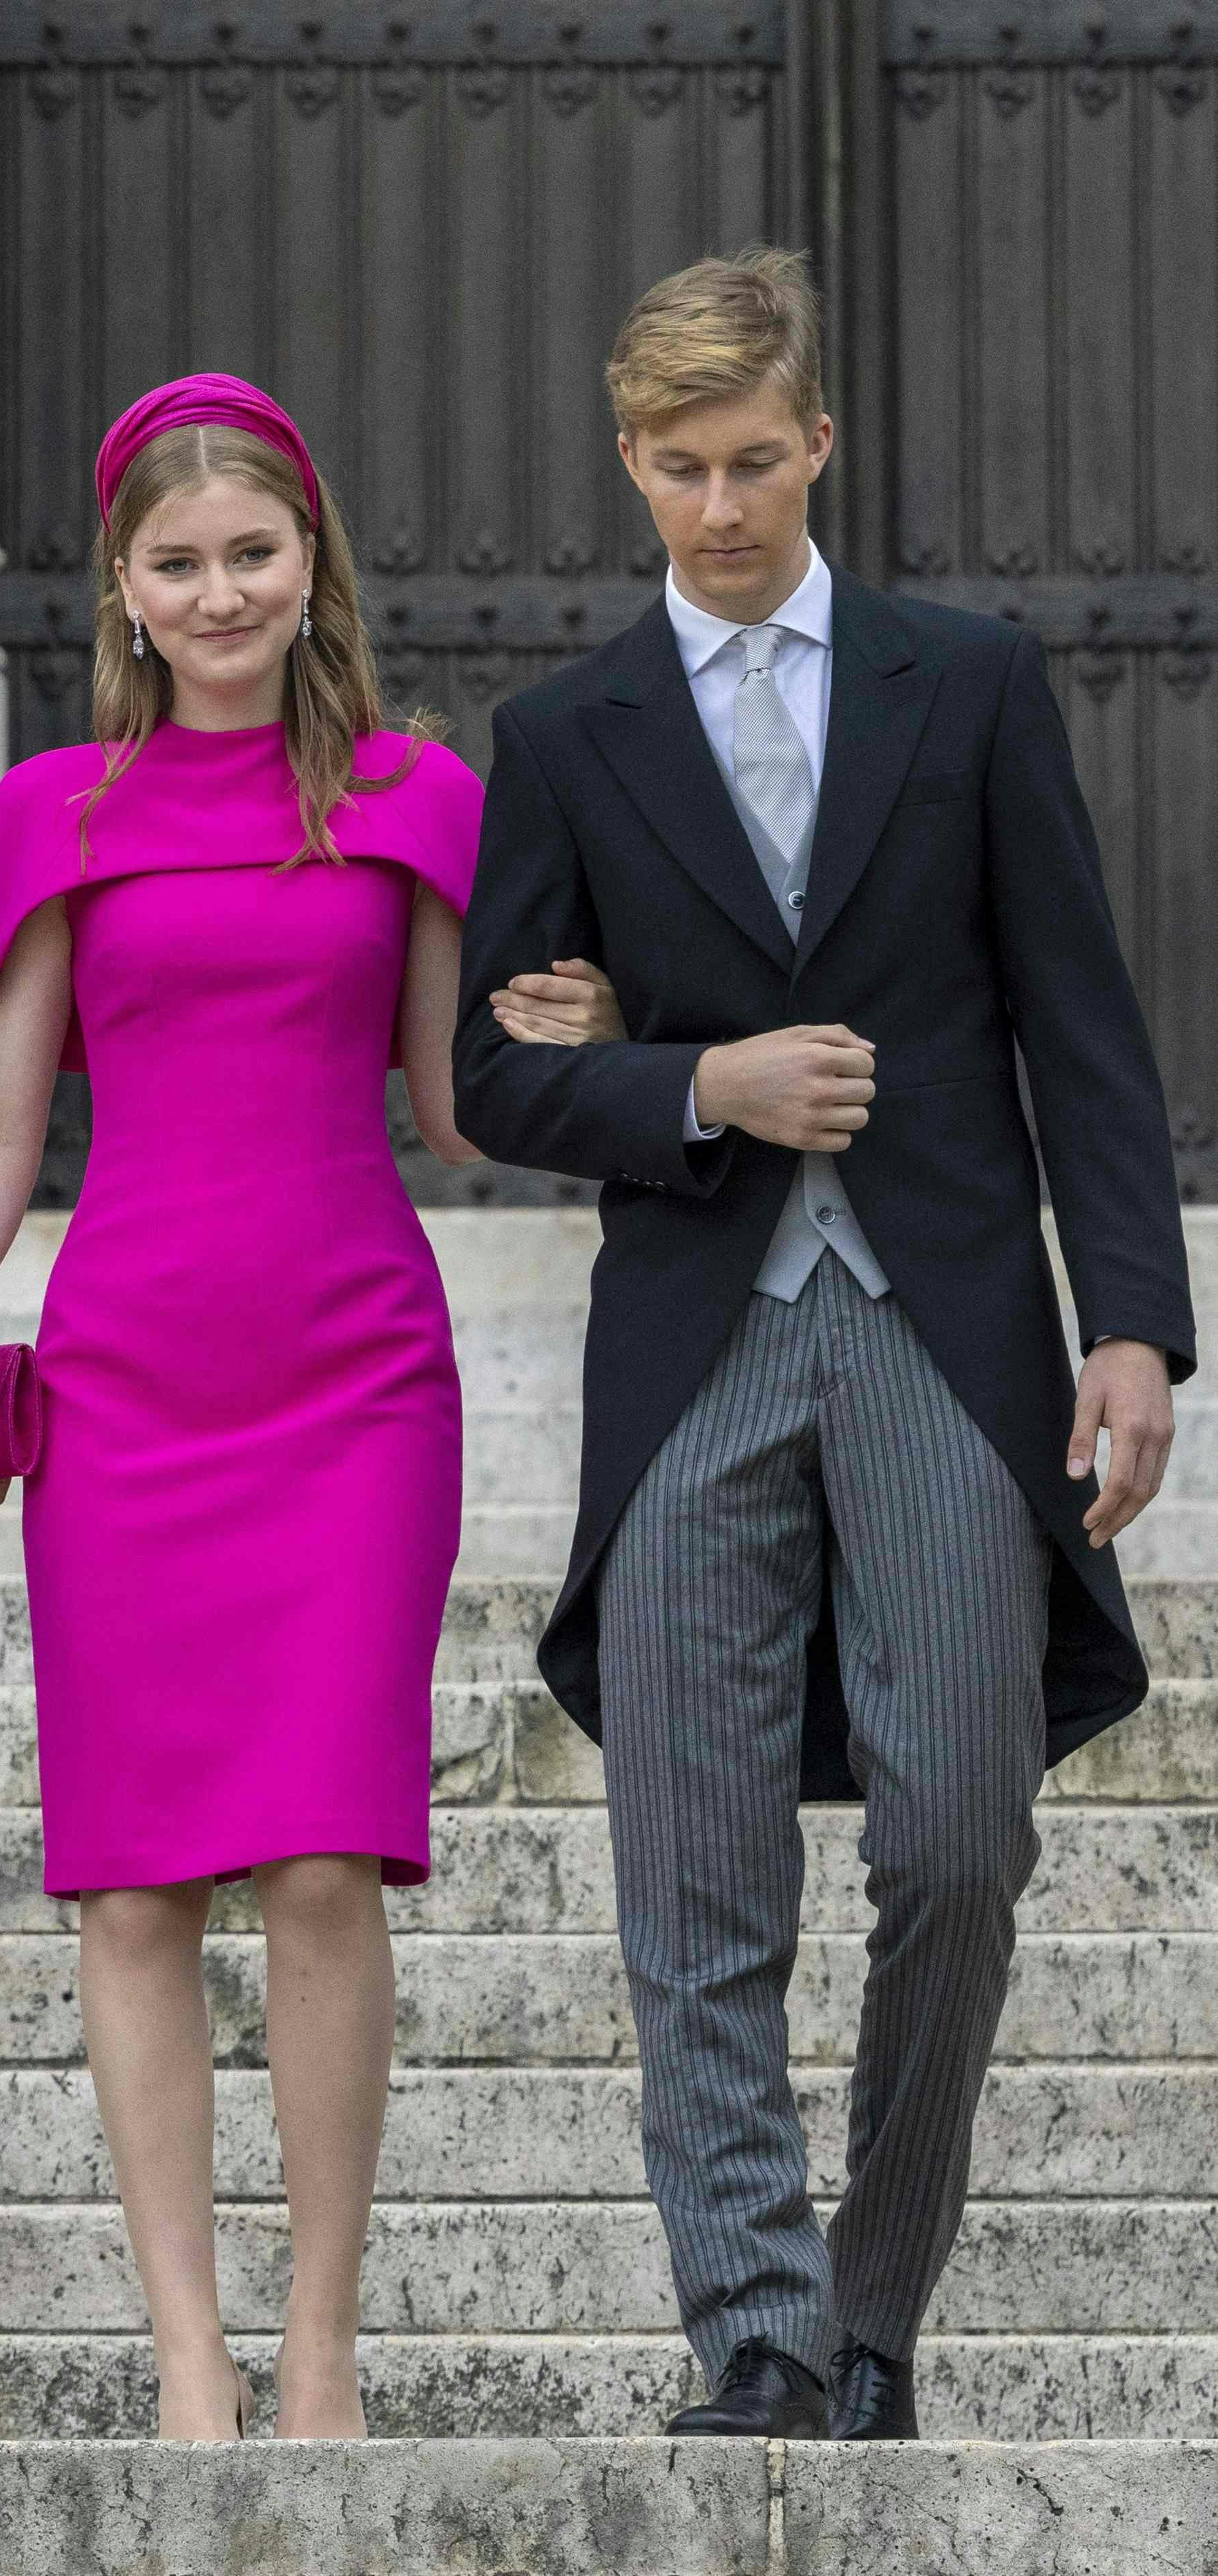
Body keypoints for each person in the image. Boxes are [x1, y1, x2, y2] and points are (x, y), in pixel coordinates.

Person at [453, 248, 1193, 2443]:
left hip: (947, 1334)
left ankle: (882, 2295)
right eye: (675, 470)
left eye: (751, 462)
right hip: (695, 1340)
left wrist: (1136, 1328)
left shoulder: (967, 684)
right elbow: (495, 1081)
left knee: (962, 1832)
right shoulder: (560, 733)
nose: (715, 509)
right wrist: (694, 1084)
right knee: (696, 1867)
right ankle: (763, 2339)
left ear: (819, 443)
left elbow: (1084, 1021)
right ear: (627, 465)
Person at [0, 375, 499, 2442]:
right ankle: (189, 2361)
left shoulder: (417, 794)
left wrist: (595, 1028)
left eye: (254, 552)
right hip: (130, 1375)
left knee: (326, 1861)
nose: (222, 590)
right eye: (181, 562)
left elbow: (454, 1104)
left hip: (352, 1380)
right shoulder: (54, 808)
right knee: (137, 1880)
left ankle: (320, 2349)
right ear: (127, 592)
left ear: (310, 560)